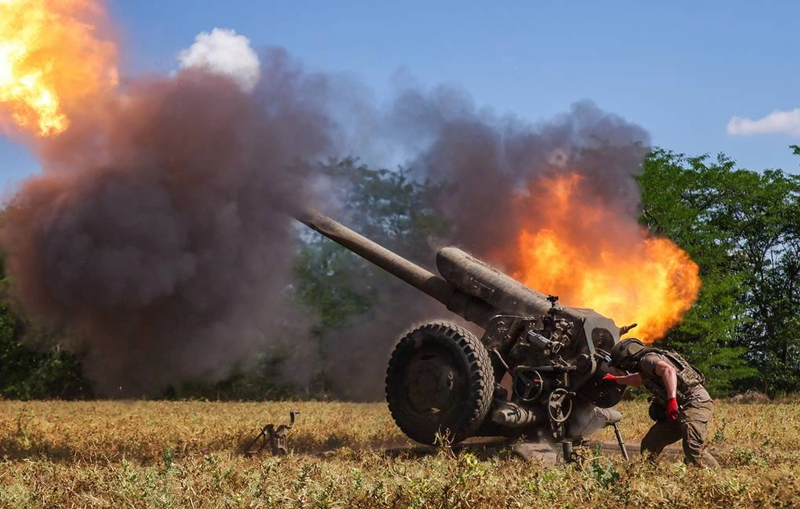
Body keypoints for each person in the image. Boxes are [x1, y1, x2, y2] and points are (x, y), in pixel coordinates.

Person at [602, 338, 719, 468]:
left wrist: (671, 400)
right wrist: (616, 380)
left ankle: (713, 477)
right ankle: (651, 476)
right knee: (650, 443)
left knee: (693, 447)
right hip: (680, 407)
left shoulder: (647, 359)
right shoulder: (646, 364)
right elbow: (638, 379)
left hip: (695, 403)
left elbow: (668, 371)